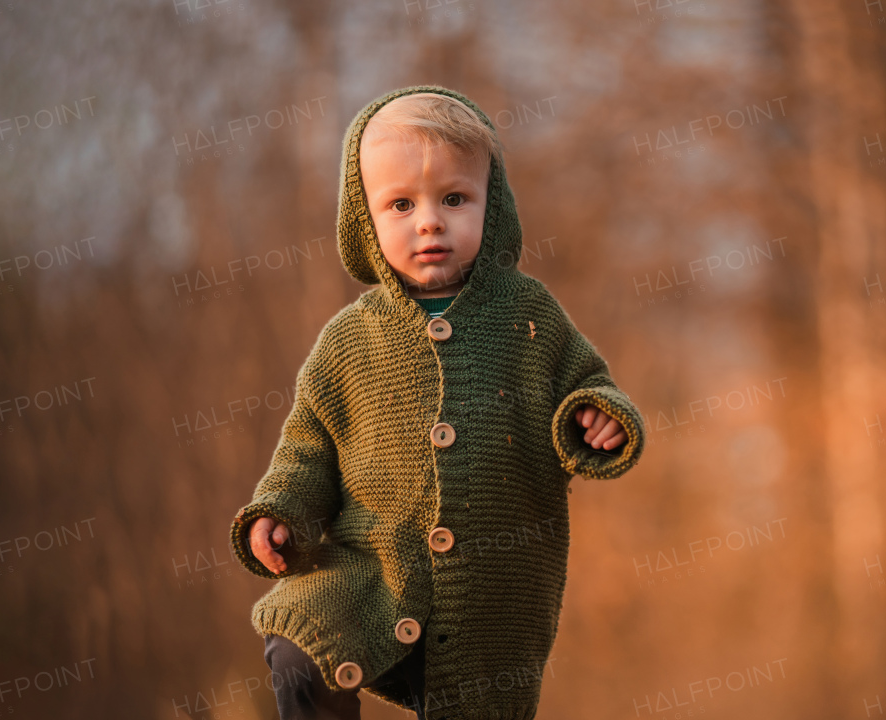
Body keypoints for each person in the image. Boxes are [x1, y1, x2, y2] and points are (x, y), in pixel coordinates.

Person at [228, 85, 647, 720]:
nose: (429, 221)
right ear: (364, 219)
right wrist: (280, 512)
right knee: (298, 650)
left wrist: (595, 419)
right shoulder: (349, 340)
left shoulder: (528, 317)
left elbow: (586, 385)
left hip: (492, 592)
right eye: (400, 204)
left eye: (454, 199)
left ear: (492, 206)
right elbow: (306, 448)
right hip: (369, 573)